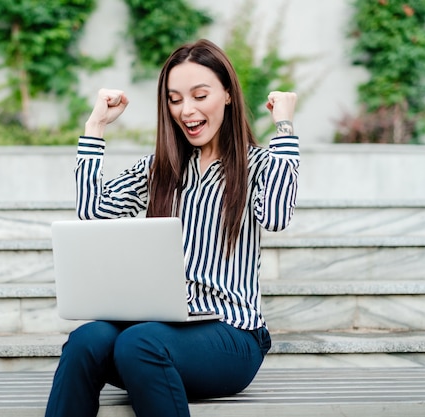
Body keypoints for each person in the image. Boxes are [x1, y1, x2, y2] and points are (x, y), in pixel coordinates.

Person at [45, 38, 299, 417]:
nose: (187, 110)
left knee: (139, 343)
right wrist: (95, 126)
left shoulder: (259, 164)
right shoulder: (161, 168)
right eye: (175, 99)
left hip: (232, 338)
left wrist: (284, 126)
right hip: (159, 331)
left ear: (228, 95)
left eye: (200, 95)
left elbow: (276, 217)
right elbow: (92, 212)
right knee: (86, 340)